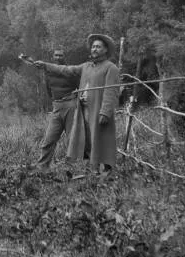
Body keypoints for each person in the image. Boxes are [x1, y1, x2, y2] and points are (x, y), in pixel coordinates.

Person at [34, 34, 120, 176]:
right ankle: (91, 171)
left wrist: (105, 111)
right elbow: (66, 70)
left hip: (98, 111)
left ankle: (106, 173)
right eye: (93, 46)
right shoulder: (86, 66)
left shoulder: (111, 68)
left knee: (100, 140)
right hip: (83, 110)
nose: (95, 49)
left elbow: (111, 92)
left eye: (98, 47)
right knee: (87, 140)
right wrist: (46, 66)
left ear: (105, 50)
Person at [28, 48, 80, 172]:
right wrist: (56, 102)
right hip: (57, 106)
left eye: (60, 55)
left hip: (70, 105)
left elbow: (80, 86)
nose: (58, 57)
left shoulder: (69, 70)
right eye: (56, 55)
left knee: (71, 138)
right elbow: (48, 90)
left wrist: (73, 101)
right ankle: (42, 166)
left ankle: (72, 167)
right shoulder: (49, 72)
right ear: (53, 57)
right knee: (49, 138)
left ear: (64, 56)